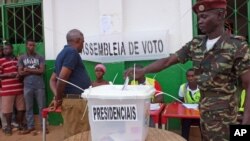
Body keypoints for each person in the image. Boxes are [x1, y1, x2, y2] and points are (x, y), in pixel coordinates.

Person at [125, 0, 250, 140]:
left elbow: (248, 83)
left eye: (204, 17)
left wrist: (246, 120)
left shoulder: (237, 45)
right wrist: (144, 70)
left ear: (220, 15)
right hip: (204, 112)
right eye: (198, 17)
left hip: (226, 116)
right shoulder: (196, 44)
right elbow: (168, 60)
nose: (200, 22)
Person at [49, 29, 91, 139]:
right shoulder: (72, 52)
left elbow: (52, 80)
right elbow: (62, 78)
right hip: (75, 103)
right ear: (77, 40)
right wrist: (58, 98)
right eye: (83, 41)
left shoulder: (62, 54)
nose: (83, 44)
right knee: (77, 135)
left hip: (73, 102)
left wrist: (57, 96)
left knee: (75, 134)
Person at [18, 39, 47, 134]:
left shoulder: (40, 57)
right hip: (27, 86)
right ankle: (30, 126)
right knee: (29, 107)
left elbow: (42, 71)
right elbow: (20, 72)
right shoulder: (22, 58)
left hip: (39, 86)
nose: (32, 47)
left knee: (42, 107)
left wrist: (28, 70)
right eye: (30, 45)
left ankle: (44, 127)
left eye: (33, 45)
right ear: (26, 45)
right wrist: (35, 70)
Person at [0, 43, 25, 135]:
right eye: (4, 49)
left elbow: (21, 71)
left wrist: (20, 74)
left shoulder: (17, 60)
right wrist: (8, 75)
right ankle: (8, 127)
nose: (5, 50)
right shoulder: (1, 60)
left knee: (21, 108)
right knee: (7, 110)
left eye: (7, 48)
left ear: (12, 49)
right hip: (7, 90)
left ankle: (20, 124)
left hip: (19, 88)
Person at [178, 68, 200, 141]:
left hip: (201, 113)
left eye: (192, 76)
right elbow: (180, 101)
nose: (190, 78)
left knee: (205, 123)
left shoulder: (202, 87)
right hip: (188, 113)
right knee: (185, 121)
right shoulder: (183, 87)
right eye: (188, 76)